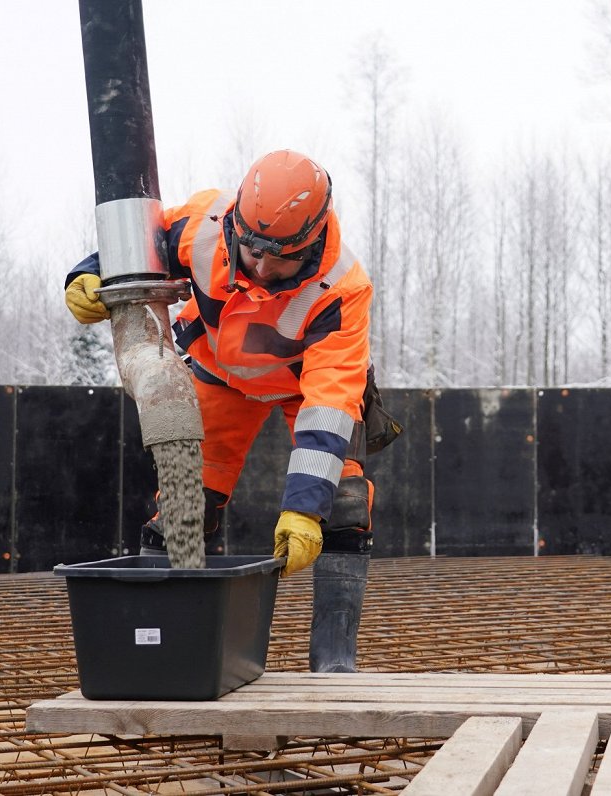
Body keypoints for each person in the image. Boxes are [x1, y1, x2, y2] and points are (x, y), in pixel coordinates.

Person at [64, 149, 391, 673]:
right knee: (184, 505)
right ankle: (175, 653)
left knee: (345, 502)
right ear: (236, 222)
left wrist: (306, 509)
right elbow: (138, 243)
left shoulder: (343, 289)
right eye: (252, 249)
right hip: (221, 373)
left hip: (302, 386)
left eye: (278, 258)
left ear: (309, 248)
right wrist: (90, 272)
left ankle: (334, 665)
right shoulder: (204, 224)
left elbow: (329, 402)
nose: (260, 267)